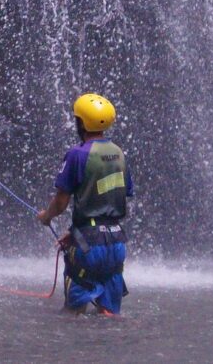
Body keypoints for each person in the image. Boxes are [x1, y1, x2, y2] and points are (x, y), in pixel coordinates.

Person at [38, 93, 134, 315]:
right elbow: (112, 197)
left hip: (88, 246)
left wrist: (46, 217)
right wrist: (76, 233)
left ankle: (78, 349)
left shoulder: (77, 154)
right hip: (117, 243)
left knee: (74, 313)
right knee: (109, 314)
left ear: (81, 123)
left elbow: (61, 202)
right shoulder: (118, 153)